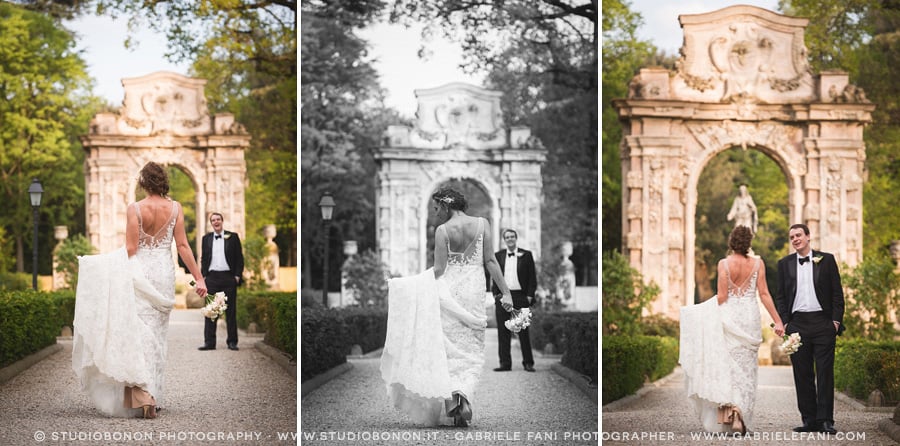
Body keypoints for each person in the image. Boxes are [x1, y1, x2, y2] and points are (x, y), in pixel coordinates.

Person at [73, 162, 208, 419]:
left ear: (144, 182)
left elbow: (131, 249)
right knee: (157, 336)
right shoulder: (176, 208)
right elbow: (182, 246)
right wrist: (199, 278)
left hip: (139, 272)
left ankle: (142, 394)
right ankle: (152, 396)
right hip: (163, 273)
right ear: (164, 181)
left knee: (137, 333)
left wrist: (102, 264)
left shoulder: (135, 208)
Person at [380, 187, 513, 427]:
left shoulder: (442, 231)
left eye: (436, 208)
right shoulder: (483, 224)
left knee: (449, 349)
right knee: (471, 349)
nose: (435, 213)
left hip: (449, 293)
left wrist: (407, 285)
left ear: (446, 205)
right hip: (473, 291)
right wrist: (506, 293)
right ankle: (463, 398)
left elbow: (439, 271)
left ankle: (454, 402)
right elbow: (491, 261)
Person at [680, 225, 784, 435]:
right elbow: (764, 294)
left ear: (731, 242)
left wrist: (698, 311)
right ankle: (741, 415)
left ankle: (731, 416)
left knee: (729, 370)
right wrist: (778, 321)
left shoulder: (724, 264)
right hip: (749, 319)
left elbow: (722, 296)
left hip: (729, 318)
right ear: (749, 243)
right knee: (746, 371)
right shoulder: (758, 263)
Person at [774, 223, 845, 434]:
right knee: (802, 374)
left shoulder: (827, 259)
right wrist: (786, 322)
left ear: (808, 237)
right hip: (797, 325)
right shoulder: (784, 264)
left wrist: (835, 322)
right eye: (792, 237)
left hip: (823, 323)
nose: (795, 239)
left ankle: (825, 421)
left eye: (798, 235)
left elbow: (837, 294)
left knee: (824, 373)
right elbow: (781, 296)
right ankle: (809, 420)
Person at [491, 229, 537, 372]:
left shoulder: (527, 255)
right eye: (507, 237)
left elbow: (532, 278)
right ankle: (505, 363)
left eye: (512, 236)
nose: (510, 239)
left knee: (523, 330)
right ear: (504, 240)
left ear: (516, 238)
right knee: (503, 331)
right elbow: (494, 276)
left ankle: (528, 363)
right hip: (504, 296)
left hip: (521, 296)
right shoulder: (498, 256)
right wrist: (496, 295)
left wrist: (529, 296)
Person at [198, 212, 245, 351]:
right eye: (213, 220)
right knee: (211, 312)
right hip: (212, 278)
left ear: (222, 221)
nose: (216, 222)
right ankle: (209, 343)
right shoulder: (206, 238)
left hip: (228, 277)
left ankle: (232, 342)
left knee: (230, 312)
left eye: (218, 219)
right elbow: (204, 258)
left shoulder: (233, 237)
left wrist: (237, 276)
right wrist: (204, 276)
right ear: (211, 223)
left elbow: (239, 258)